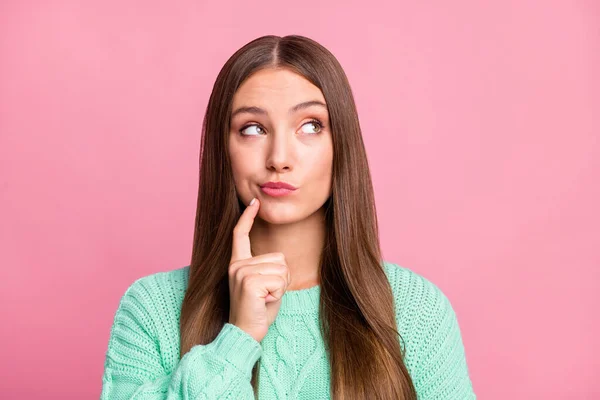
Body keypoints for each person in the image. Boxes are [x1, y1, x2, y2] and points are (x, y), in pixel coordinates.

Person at [100, 34, 476, 400]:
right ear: (222, 150)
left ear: (341, 144)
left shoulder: (414, 310)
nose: (279, 157)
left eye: (311, 126)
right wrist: (238, 339)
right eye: (252, 128)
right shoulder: (152, 309)